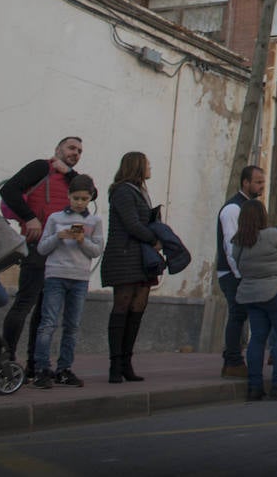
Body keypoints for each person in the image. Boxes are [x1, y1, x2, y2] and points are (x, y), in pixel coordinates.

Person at [0, 135, 85, 378]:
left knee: (45, 311)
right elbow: (9, 190)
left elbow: (92, 193)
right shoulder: (40, 167)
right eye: (71, 148)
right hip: (37, 247)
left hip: (61, 252)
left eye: (79, 150)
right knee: (25, 303)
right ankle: (7, 359)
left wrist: (68, 173)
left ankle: (35, 366)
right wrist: (29, 217)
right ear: (58, 149)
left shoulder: (73, 179)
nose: (75, 153)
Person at [30, 174, 103, 389]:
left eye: (84, 198)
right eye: (76, 198)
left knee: (72, 326)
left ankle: (64, 369)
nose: (80, 202)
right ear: (69, 196)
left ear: (90, 198)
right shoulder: (55, 218)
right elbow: (42, 248)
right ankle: (41, 368)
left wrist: (82, 240)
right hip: (55, 275)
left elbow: (97, 250)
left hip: (79, 278)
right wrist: (59, 236)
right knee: (48, 324)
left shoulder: (94, 221)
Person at [230, 199, 277, 401]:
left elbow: (236, 263)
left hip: (250, 293)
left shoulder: (238, 242)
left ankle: (254, 386)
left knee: (257, 338)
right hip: (276, 289)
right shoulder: (271, 235)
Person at [99, 151, 161, 384]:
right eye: (147, 164)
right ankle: (115, 364)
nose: (150, 168)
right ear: (136, 166)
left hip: (140, 258)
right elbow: (131, 223)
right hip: (124, 255)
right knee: (122, 306)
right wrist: (154, 239)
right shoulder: (123, 191)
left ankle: (127, 362)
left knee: (137, 308)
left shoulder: (140, 191)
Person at [216, 165, 266, 379]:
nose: (261, 186)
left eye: (262, 182)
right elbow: (230, 244)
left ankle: (232, 356)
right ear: (245, 182)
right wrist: (239, 273)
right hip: (232, 273)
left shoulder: (249, 207)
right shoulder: (233, 209)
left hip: (242, 271)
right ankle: (233, 361)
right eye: (257, 182)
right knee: (237, 314)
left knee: (241, 314)